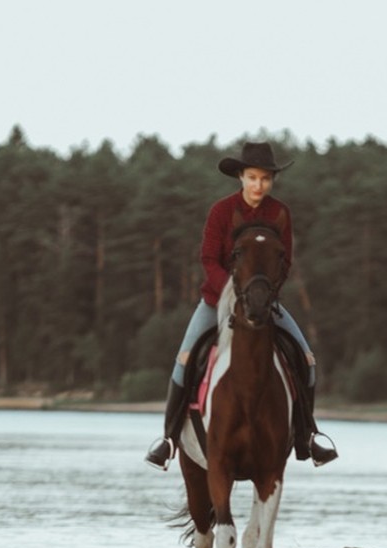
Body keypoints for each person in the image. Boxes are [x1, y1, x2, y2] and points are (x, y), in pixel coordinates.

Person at [144, 140, 337, 469]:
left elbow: (285, 262)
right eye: (252, 177)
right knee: (183, 361)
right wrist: (231, 293)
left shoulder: (280, 214)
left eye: (265, 178)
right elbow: (208, 258)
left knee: (307, 359)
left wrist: (265, 293)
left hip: (264, 302)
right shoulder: (221, 211)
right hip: (215, 301)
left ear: (272, 180)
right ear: (241, 178)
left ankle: (307, 436)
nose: (258, 184)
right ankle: (168, 439)